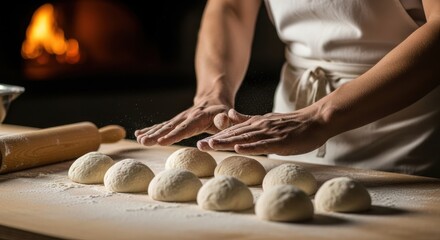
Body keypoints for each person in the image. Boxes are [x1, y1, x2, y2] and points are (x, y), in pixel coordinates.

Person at [135, 0, 440, 178]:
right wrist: (212, 94)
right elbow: (230, 8)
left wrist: (320, 118)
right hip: (288, 126)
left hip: (403, 129)